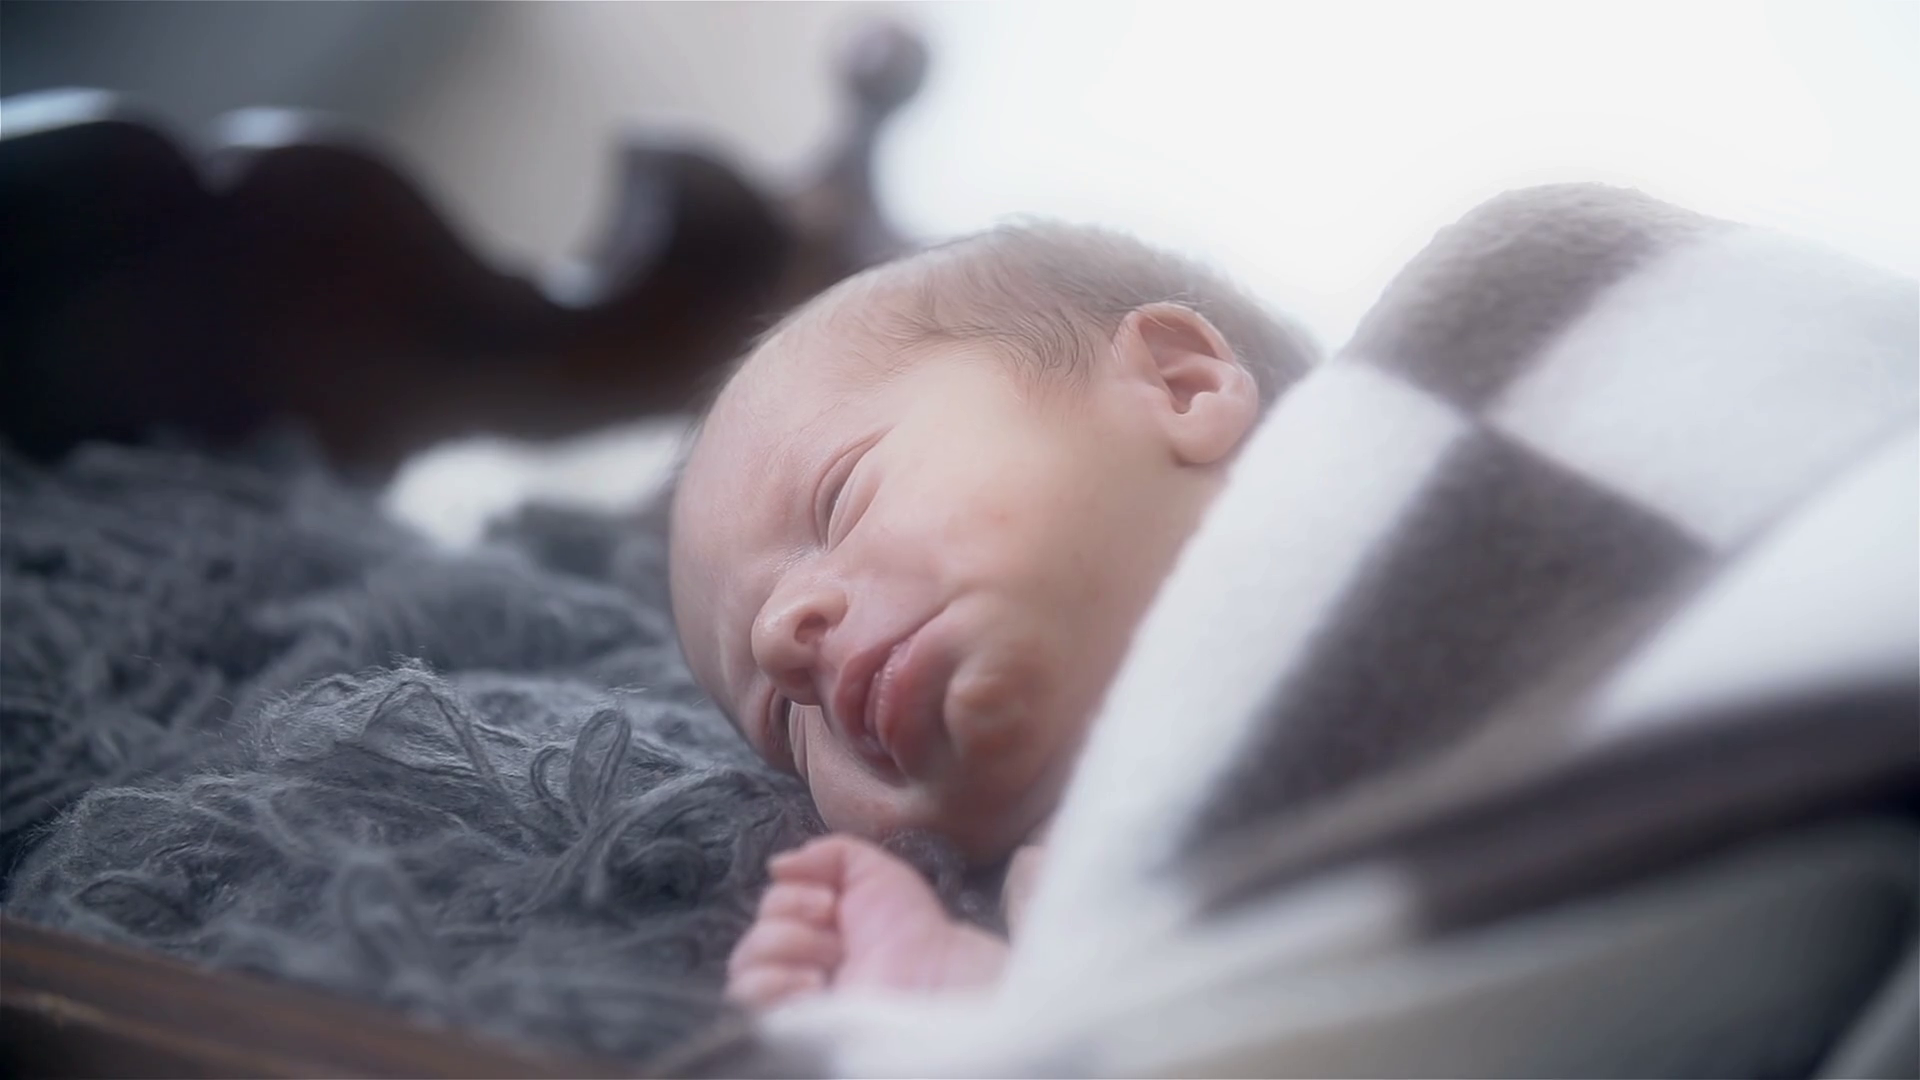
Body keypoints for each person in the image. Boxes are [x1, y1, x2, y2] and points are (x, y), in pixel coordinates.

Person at [667, 223, 1315, 1006]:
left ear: (1178, 386)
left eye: (839, 501)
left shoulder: (1415, 457)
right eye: (779, 722)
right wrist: (960, 1002)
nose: (779, 643)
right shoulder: (1076, 908)